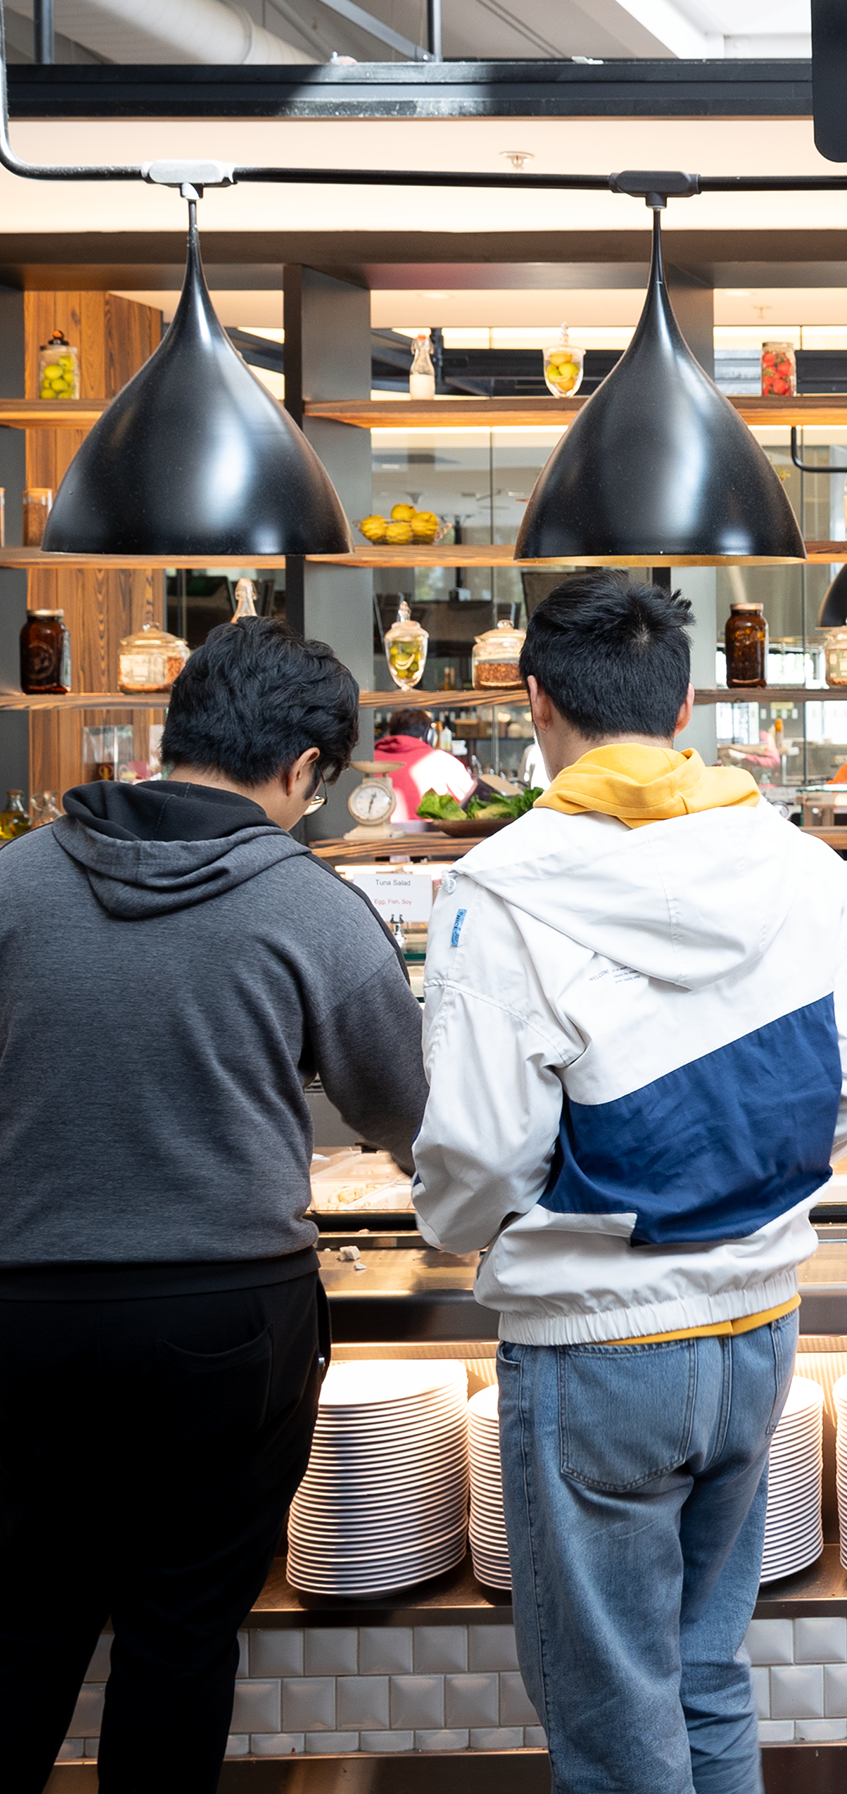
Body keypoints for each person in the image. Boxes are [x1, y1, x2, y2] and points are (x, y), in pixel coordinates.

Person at [412, 574, 847, 1794]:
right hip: (756, 1329)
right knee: (703, 1672)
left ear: (535, 703)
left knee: (613, 1715)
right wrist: (732, 1182)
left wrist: (469, 1227)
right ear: (685, 703)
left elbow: (475, 1154)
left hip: (597, 1346)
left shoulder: (498, 887)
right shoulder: (795, 861)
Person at [0, 617, 428, 1794]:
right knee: (180, 1636)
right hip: (224, 1323)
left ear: (172, 733)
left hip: (24, 1312)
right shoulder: (313, 906)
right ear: (301, 771)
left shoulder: (15, 878)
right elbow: (408, 1112)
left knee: (23, 1627)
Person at [373, 702, 475, 819]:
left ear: (389, 733)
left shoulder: (369, 761)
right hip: (427, 835)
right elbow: (475, 801)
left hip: (376, 834)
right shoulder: (441, 760)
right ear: (428, 735)